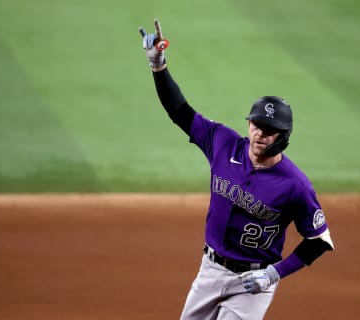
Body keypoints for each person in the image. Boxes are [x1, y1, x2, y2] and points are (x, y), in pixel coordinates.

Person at [139, 19, 335, 320]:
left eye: (270, 130)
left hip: (252, 284)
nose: (260, 133)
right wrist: (159, 66)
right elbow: (179, 112)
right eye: (256, 125)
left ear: (283, 136)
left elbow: (319, 241)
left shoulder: (295, 185)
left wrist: (274, 274)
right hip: (210, 270)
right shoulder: (222, 142)